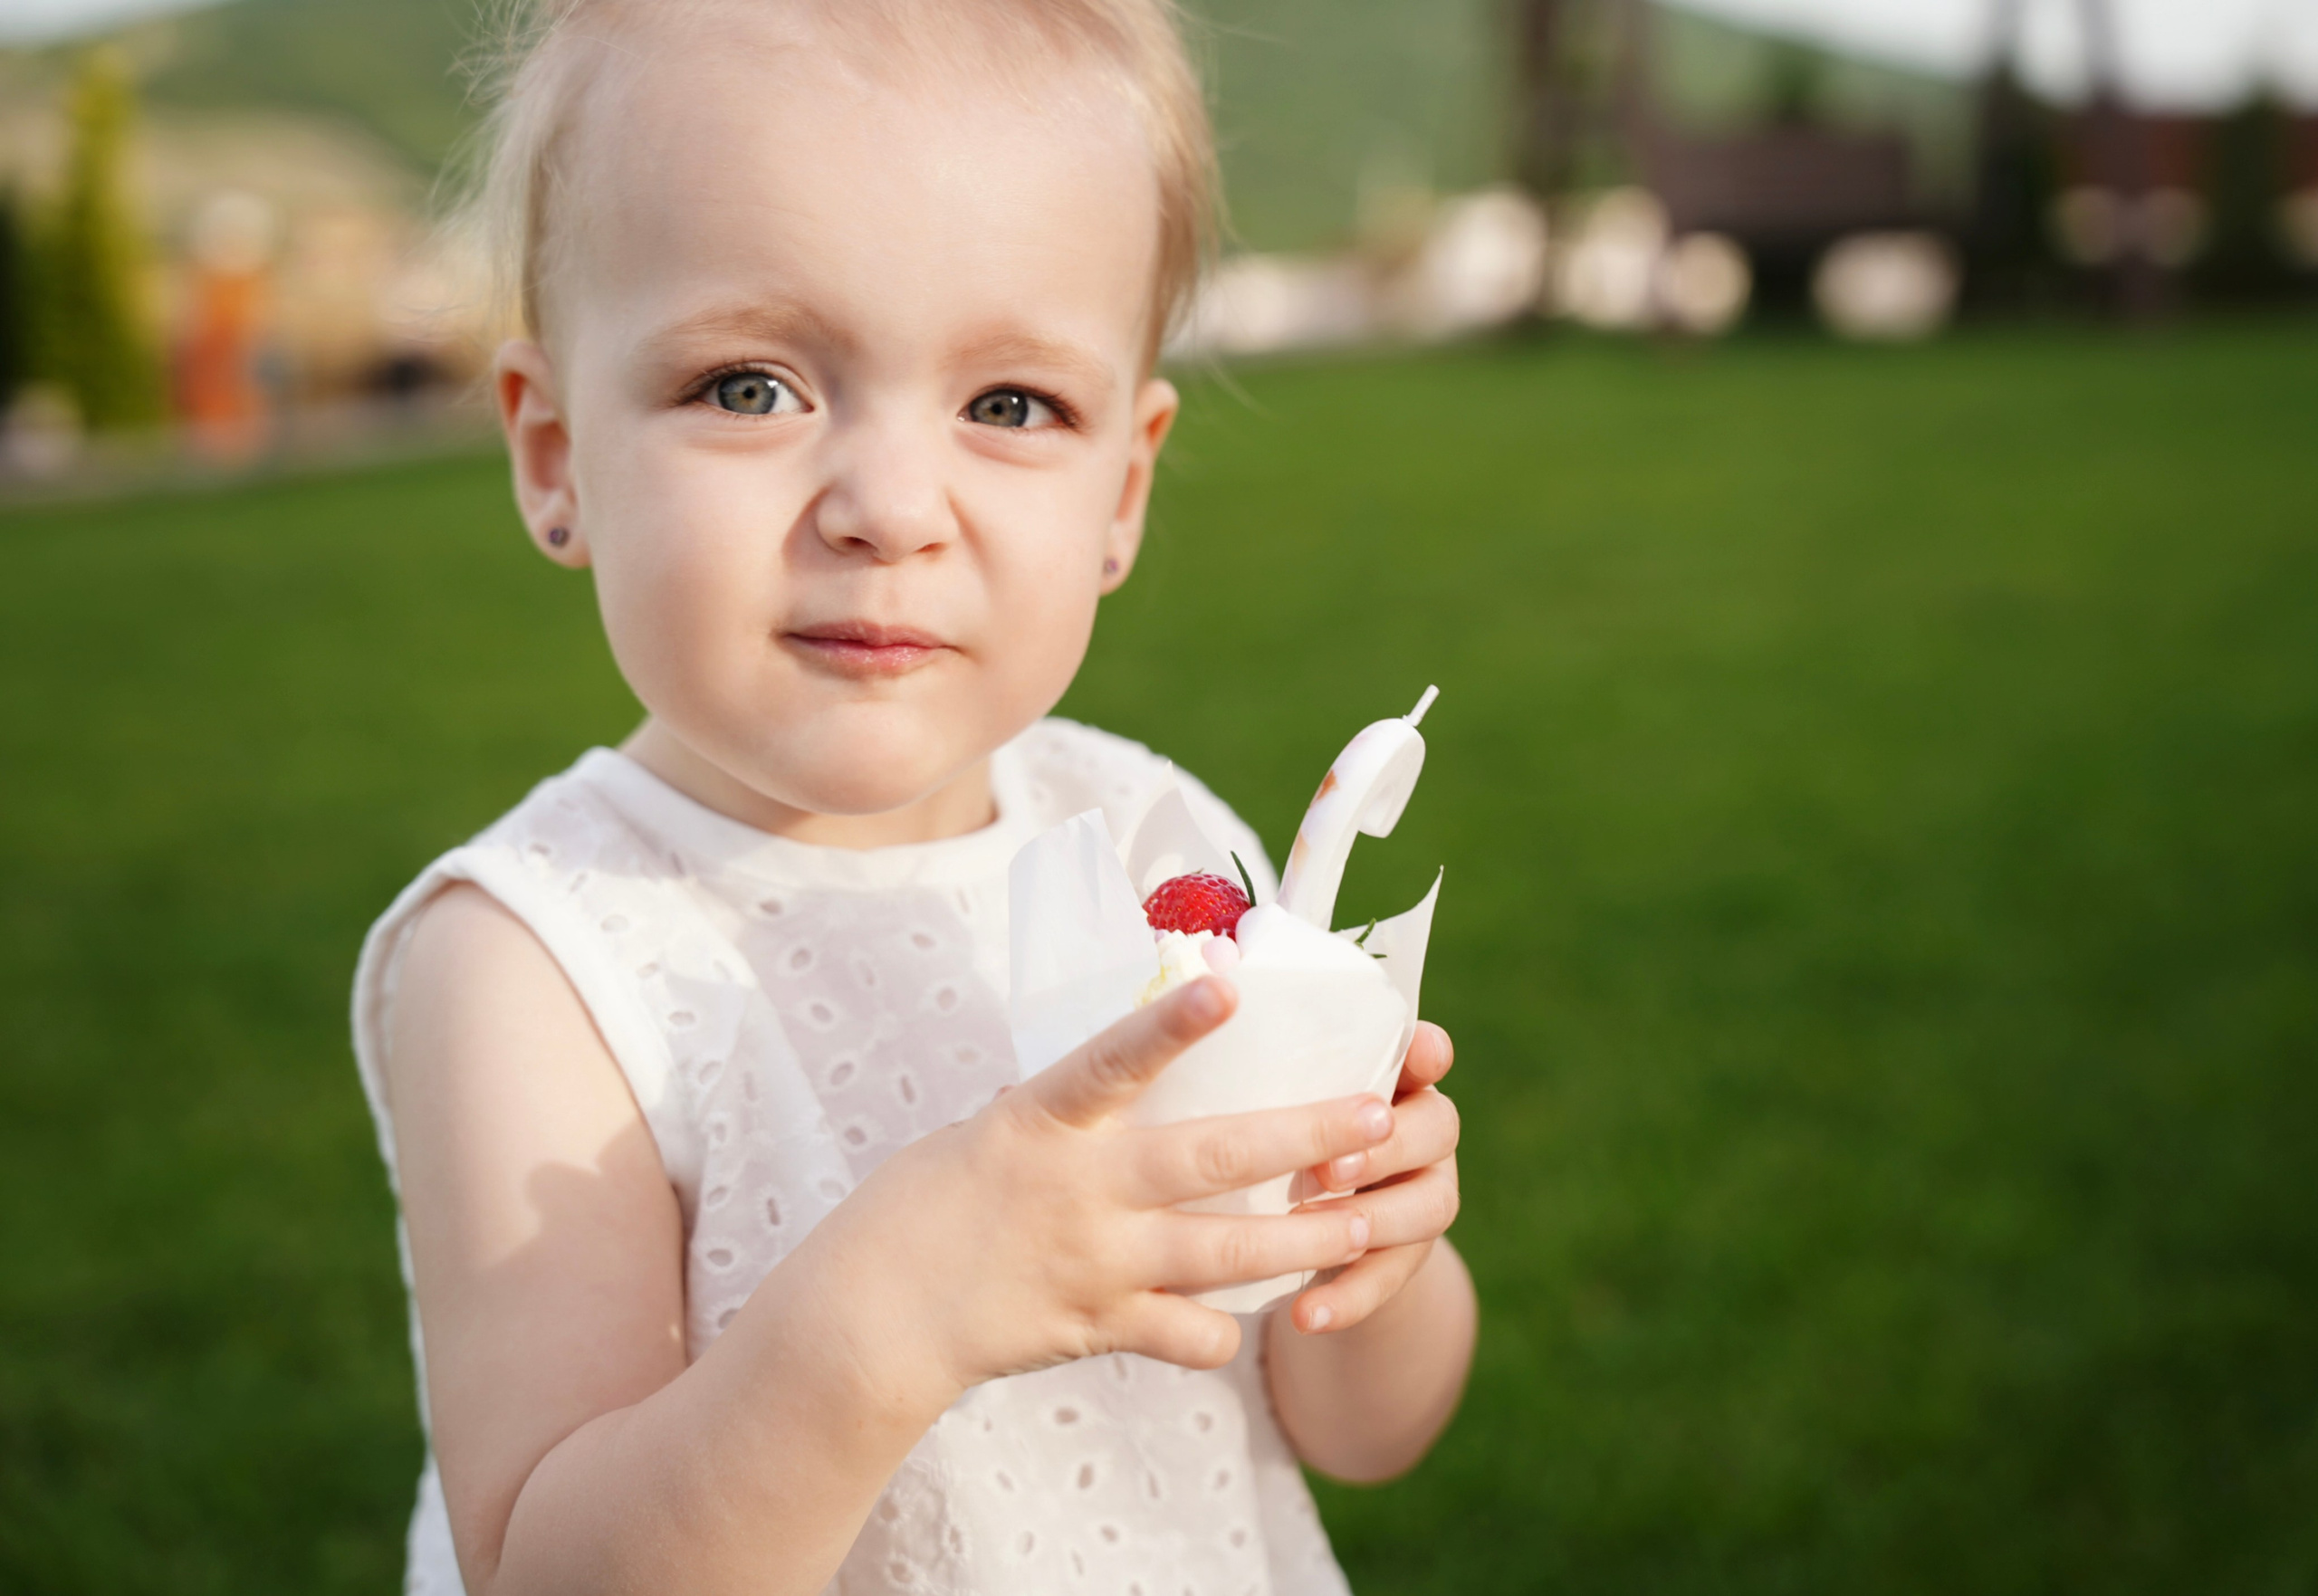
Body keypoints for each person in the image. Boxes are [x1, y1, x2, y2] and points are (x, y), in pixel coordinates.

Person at [350, 2, 1477, 1591]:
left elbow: (1362, 1432)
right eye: (750, 387)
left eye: (1010, 406)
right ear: (553, 452)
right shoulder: (533, 964)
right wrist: (894, 1312)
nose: (888, 508)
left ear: (1123, 489)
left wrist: (1373, 1251)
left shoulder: (1158, 849)